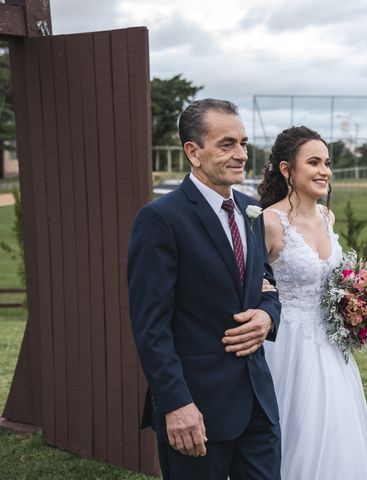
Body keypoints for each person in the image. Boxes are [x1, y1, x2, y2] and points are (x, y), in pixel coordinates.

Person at [128, 99, 282, 479]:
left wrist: (266, 316)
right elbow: (151, 327)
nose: (241, 154)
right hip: (196, 411)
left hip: (258, 404)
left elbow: (267, 286)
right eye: (227, 144)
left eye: (243, 143)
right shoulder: (160, 220)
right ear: (193, 152)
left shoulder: (252, 211)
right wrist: (176, 404)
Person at [258, 126, 367, 479]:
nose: (324, 171)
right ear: (286, 169)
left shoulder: (328, 217)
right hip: (286, 347)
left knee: (337, 435)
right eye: (313, 162)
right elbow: (252, 286)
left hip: (331, 349)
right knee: (293, 431)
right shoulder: (270, 222)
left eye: (327, 162)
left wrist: (356, 302)